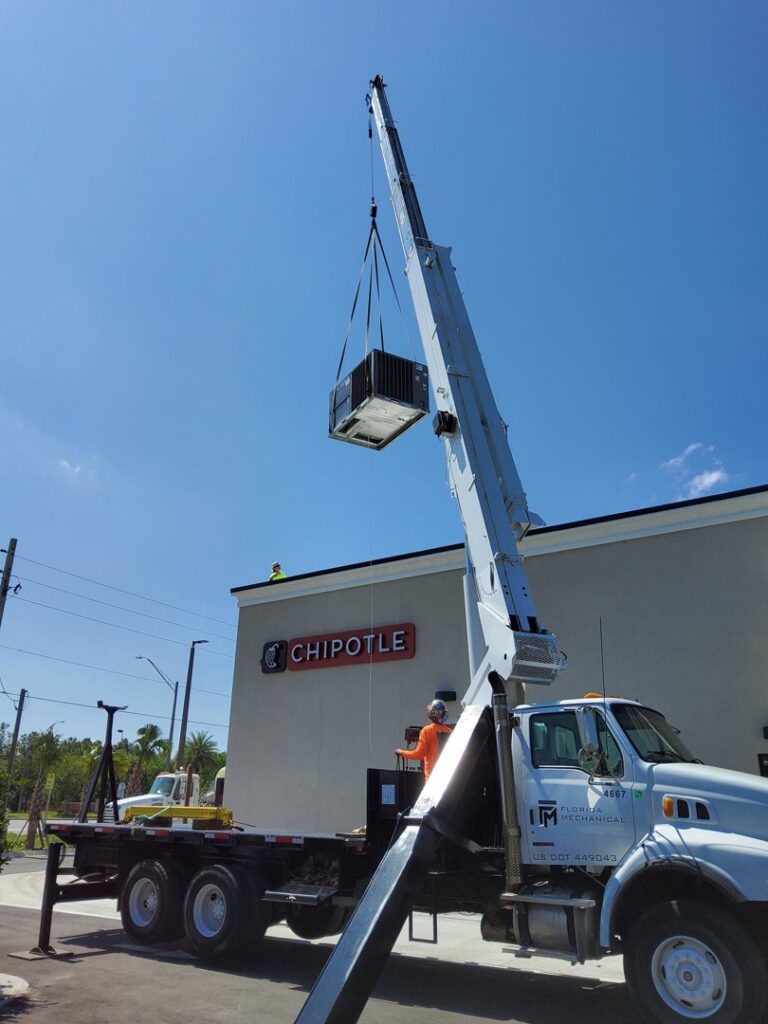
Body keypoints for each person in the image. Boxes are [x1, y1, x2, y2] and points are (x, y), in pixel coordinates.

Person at [395, 699, 452, 780]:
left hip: (433, 778)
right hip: (448, 778)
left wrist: (401, 752)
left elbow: (419, 754)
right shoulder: (450, 731)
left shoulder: (427, 730)